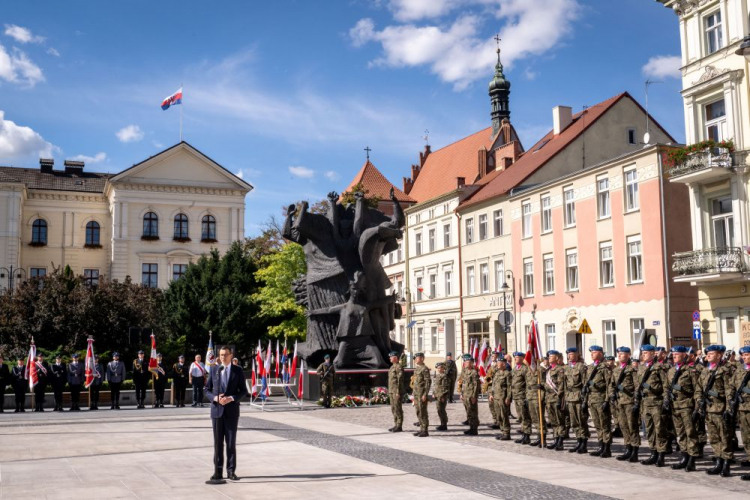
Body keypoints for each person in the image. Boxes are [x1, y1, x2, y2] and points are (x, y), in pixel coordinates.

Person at [205, 345, 248, 482]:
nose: (223, 357)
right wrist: (215, 398)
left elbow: (243, 391)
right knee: (218, 443)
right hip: (217, 412)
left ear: (231, 355)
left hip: (231, 412)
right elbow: (207, 389)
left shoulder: (237, 370)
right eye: (221, 355)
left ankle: (231, 471)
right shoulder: (214, 369)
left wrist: (232, 398)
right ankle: (217, 471)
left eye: (226, 354)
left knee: (230, 443)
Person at [695, 344, 735, 477]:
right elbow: (699, 388)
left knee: (725, 438)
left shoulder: (724, 371)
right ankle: (718, 462)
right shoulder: (705, 371)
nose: (708, 356)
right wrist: (699, 402)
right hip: (708, 409)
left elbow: (730, 391)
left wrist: (729, 409)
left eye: (711, 354)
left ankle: (726, 464)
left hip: (720, 409)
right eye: (707, 354)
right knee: (714, 438)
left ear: (719, 356)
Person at [636, 344, 670, 467]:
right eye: (642, 353)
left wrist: (666, 400)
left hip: (656, 402)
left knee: (659, 429)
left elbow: (666, 386)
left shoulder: (658, 368)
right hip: (645, 403)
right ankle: (653, 453)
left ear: (652, 353)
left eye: (645, 353)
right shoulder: (641, 367)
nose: (643, 355)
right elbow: (637, 385)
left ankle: (661, 455)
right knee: (649, 429)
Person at [666, 345, 699, 472]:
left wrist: (697, 408)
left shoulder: (691, 371)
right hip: (675, 406)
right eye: (673, 354)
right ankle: (684, 456)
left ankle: (692, 459)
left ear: (684, 355)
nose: (674, 356)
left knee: (690, 433)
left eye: (677, 354)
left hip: (687, 406)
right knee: (681, 434)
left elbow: (697, 390)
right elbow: (666, 387)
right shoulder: (671, 371)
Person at [611, 347, 641, 462]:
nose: (619, 355)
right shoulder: (616, 370)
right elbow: (612, 385)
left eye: (622, 354)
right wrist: (612, 396)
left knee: (632, 426)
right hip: (620, 402)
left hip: (629, 401)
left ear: (628, 355)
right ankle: (628, 448)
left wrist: (636, 401)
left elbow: (637, 386)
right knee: (623, 426)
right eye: (618, 353)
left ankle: (634, 451)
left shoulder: (631, 370)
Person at [585, 346, 612, 458]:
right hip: (592, 399)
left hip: (601, 399)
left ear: (601, 354)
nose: (592, 354)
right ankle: (601, 445)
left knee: (604, 424)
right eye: (591, 352)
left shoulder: (605, 367)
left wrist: (607, 400)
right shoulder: (590, 367)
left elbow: (609, 385)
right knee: (597, 425)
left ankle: (607, 448)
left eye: (594, 352)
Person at [564, 347, 588, 453]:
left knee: (581, 420)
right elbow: (565, 384)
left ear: (577, 355)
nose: (569, 356)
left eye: (571, 354)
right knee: (574, 421)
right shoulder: (567, 368)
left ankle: (584, 443)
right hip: (570, 397)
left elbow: (585, 384)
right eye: (568, 354)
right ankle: (578, 441)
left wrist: (585, 400)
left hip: (579, 396)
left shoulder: (581, 367)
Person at [733, 346, 750, 481]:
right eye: (743, 355)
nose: (745, 357)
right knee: (746, 438)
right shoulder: (740, 369)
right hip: (742, 409)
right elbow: (732, 385)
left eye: (747, 355)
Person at [544, 350, 565, 450]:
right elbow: (547, 384)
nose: (549, 358)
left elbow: (561, 385)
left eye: (551, 356)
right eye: (549, 356)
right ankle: (555, 439)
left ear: (557, 358)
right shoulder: (548, 370)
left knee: (559, 420)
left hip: (556, 397)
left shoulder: (559, 369)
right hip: (549, 399)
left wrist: (559, 398)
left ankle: (560, 441)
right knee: (553, 421)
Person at [525, 357, 547, 447]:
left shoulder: (541, 370)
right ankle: (538, 436)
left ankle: (543, 438)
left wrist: (541, 397)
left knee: (539, 417)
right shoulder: (528, 371)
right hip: (530, 396)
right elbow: (527, 385)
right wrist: (527, 396)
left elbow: (544, 384)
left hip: (538, 396)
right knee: (534, 418)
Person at [511, 352, 531, 444]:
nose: (515, 359)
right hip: (516, 396)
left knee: (525, 416)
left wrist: (527, 397)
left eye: (517, 357)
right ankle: (523, 434)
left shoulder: (524, 369)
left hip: (522, 396)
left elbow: (528, 384)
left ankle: (527, 436)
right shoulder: (515, 369)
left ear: (522, 358)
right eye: (514, 357)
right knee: (520, 417)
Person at [490, 356, 512, 440]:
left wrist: (508, 397)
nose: (497, 365)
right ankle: (502, 431)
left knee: (504, 415)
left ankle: (507, 433)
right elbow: (493, 385)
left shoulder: (507, 373)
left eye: (499, 363)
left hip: (503, 397)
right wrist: (491, 394)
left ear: (504, 364)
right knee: (498, 416)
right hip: (496, 397)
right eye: (497, 363)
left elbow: (510, 387)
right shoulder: (497, 373)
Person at [460, 354, 480, 435]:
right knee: (468, 412)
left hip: (471, 395)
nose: (465, 363)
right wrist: (462, 394)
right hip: (465, 394)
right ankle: (471, 427)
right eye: (465, 362)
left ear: (472, 363)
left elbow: (476, 385)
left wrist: (474, 396)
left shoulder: (474, 372)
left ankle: (474, 429)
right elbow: (463, 384)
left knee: (473, 412)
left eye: (467, 362)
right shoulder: (466, 372)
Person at [412, 352, 430, 437]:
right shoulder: (417, 369)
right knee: (418, 411)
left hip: (422, 393)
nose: (415, 359)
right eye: (415, 358)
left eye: (417, 358)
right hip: (416, 393)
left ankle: (425, 430)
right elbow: (415, 382)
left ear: (422, 359)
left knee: (423, 411)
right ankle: (421, 429)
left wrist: (425, 394)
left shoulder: (424, 369)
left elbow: (427, 382)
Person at [387, 351, 404, 432]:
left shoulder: (399, 367)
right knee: (393, 408)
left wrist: (397, 392)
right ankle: (396, 424)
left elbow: (399, 381)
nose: (390, 358)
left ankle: (399, 425)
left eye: (391, 357)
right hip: (391, 391)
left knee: (398, 408)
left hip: (396, 391)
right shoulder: (392, 367)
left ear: (395, 357)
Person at [483, 351, 499, 428]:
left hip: (495, 388)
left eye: (495, 356)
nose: (493, 357)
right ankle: (495, 420)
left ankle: (498, 422)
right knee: (491, 405)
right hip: (490, 388)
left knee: (495, 405)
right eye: (492, 356)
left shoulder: (498, 365)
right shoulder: (491, 364)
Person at [433, 361, 451, 431]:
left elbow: (445, 387)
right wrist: (434, 393)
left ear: (443, 368)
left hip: (442, 396)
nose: (439, 369)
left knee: (442, 410)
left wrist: (443, 396)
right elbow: (435, 386)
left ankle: (444, 424)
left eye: (440, 368)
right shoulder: (438, 376)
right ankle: (442, 423)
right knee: (439, 410)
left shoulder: (444, 376)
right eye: (438, 368)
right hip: (437, 395)